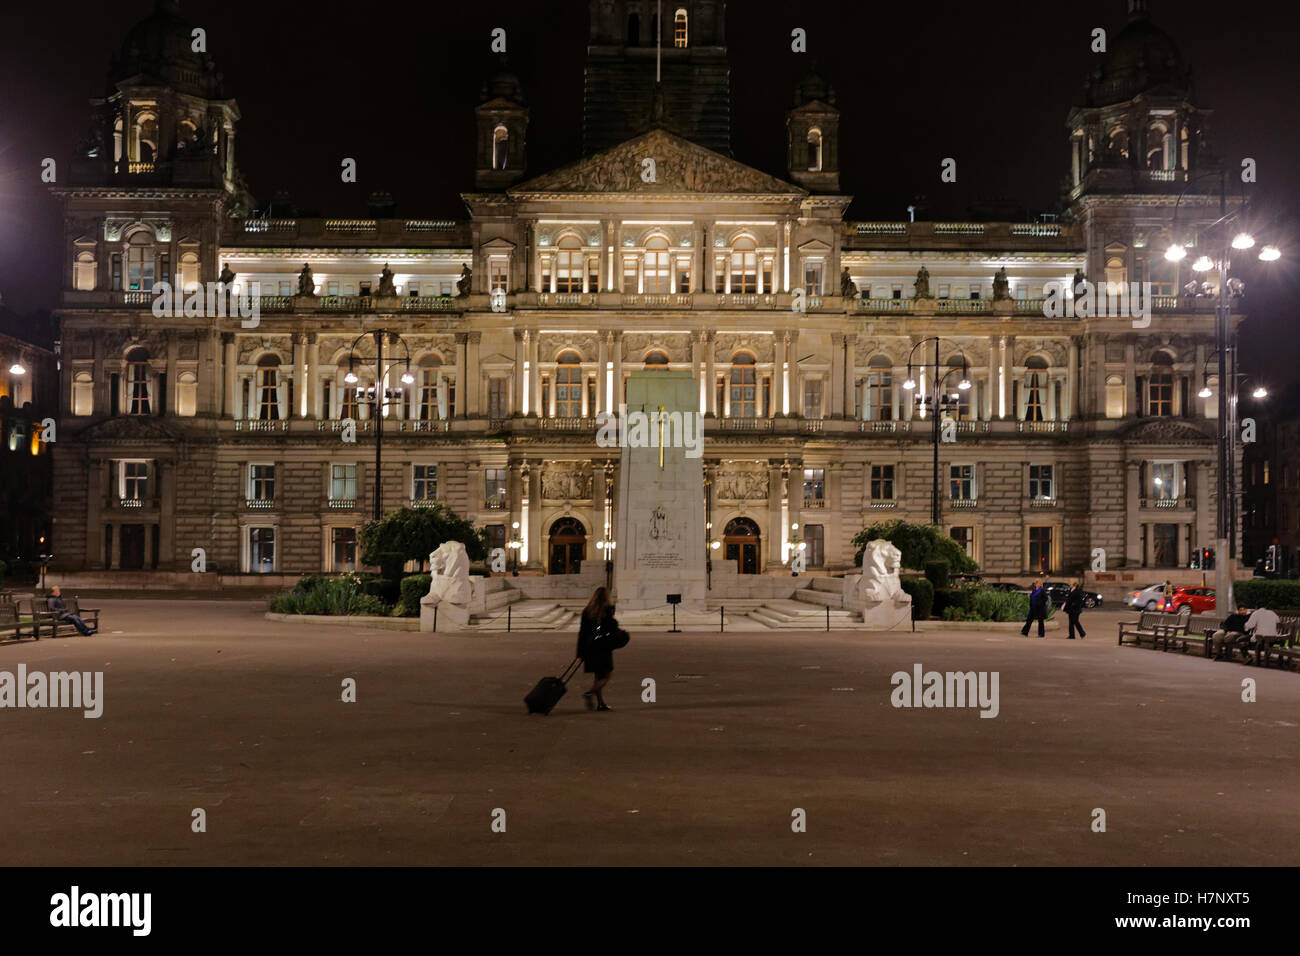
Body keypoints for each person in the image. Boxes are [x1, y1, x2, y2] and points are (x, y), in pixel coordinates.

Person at [576, 587, 625, 712]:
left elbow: (582, 633)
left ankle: (601, 704)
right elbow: (611, 628)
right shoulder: (607, 610)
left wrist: (580, 653)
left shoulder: (587, 611)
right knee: (606, 676)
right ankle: (590, 693)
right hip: (602, 647)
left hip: (589, 647)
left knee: (598, 676)